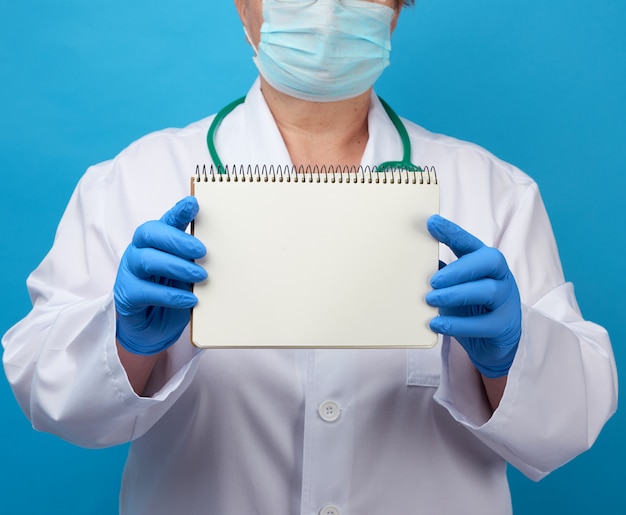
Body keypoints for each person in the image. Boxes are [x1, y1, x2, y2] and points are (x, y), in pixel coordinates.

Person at [2, 0, 618, 513]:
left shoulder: (494, 192)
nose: (327, 10)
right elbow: (47, 392)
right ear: (244, 5)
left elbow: (573, 422)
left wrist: (515, 357)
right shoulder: (133, 181)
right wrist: (124, 346)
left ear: (398, 10)